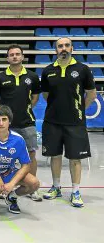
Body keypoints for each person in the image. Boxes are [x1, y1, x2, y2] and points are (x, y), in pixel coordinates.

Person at [40, 37, 96, 207]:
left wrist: (78, 110)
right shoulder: (48, 70)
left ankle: (75, 191)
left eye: (66, 45)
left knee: (75, 159)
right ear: (55, 49)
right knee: (55, 156)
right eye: (60, 46)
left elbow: (91, 94)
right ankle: (56, 187)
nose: (63, 48)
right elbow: (46, 95)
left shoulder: (83, 69)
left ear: (72, 48)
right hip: (52, 122)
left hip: (75, 123)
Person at [0, 44, 42, 201]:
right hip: (7, 125)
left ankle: (31, 189)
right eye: (11, 54)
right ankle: (5, 187)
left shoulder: (32, 77)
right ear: (7, 58)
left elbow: (35, 97)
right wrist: (6, 115)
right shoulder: (0, 78)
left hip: (27, 122)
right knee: (4, 156)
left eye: (17, 54)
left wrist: (24, 109)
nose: (14, 56)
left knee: (31, 155)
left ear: (22, 57)